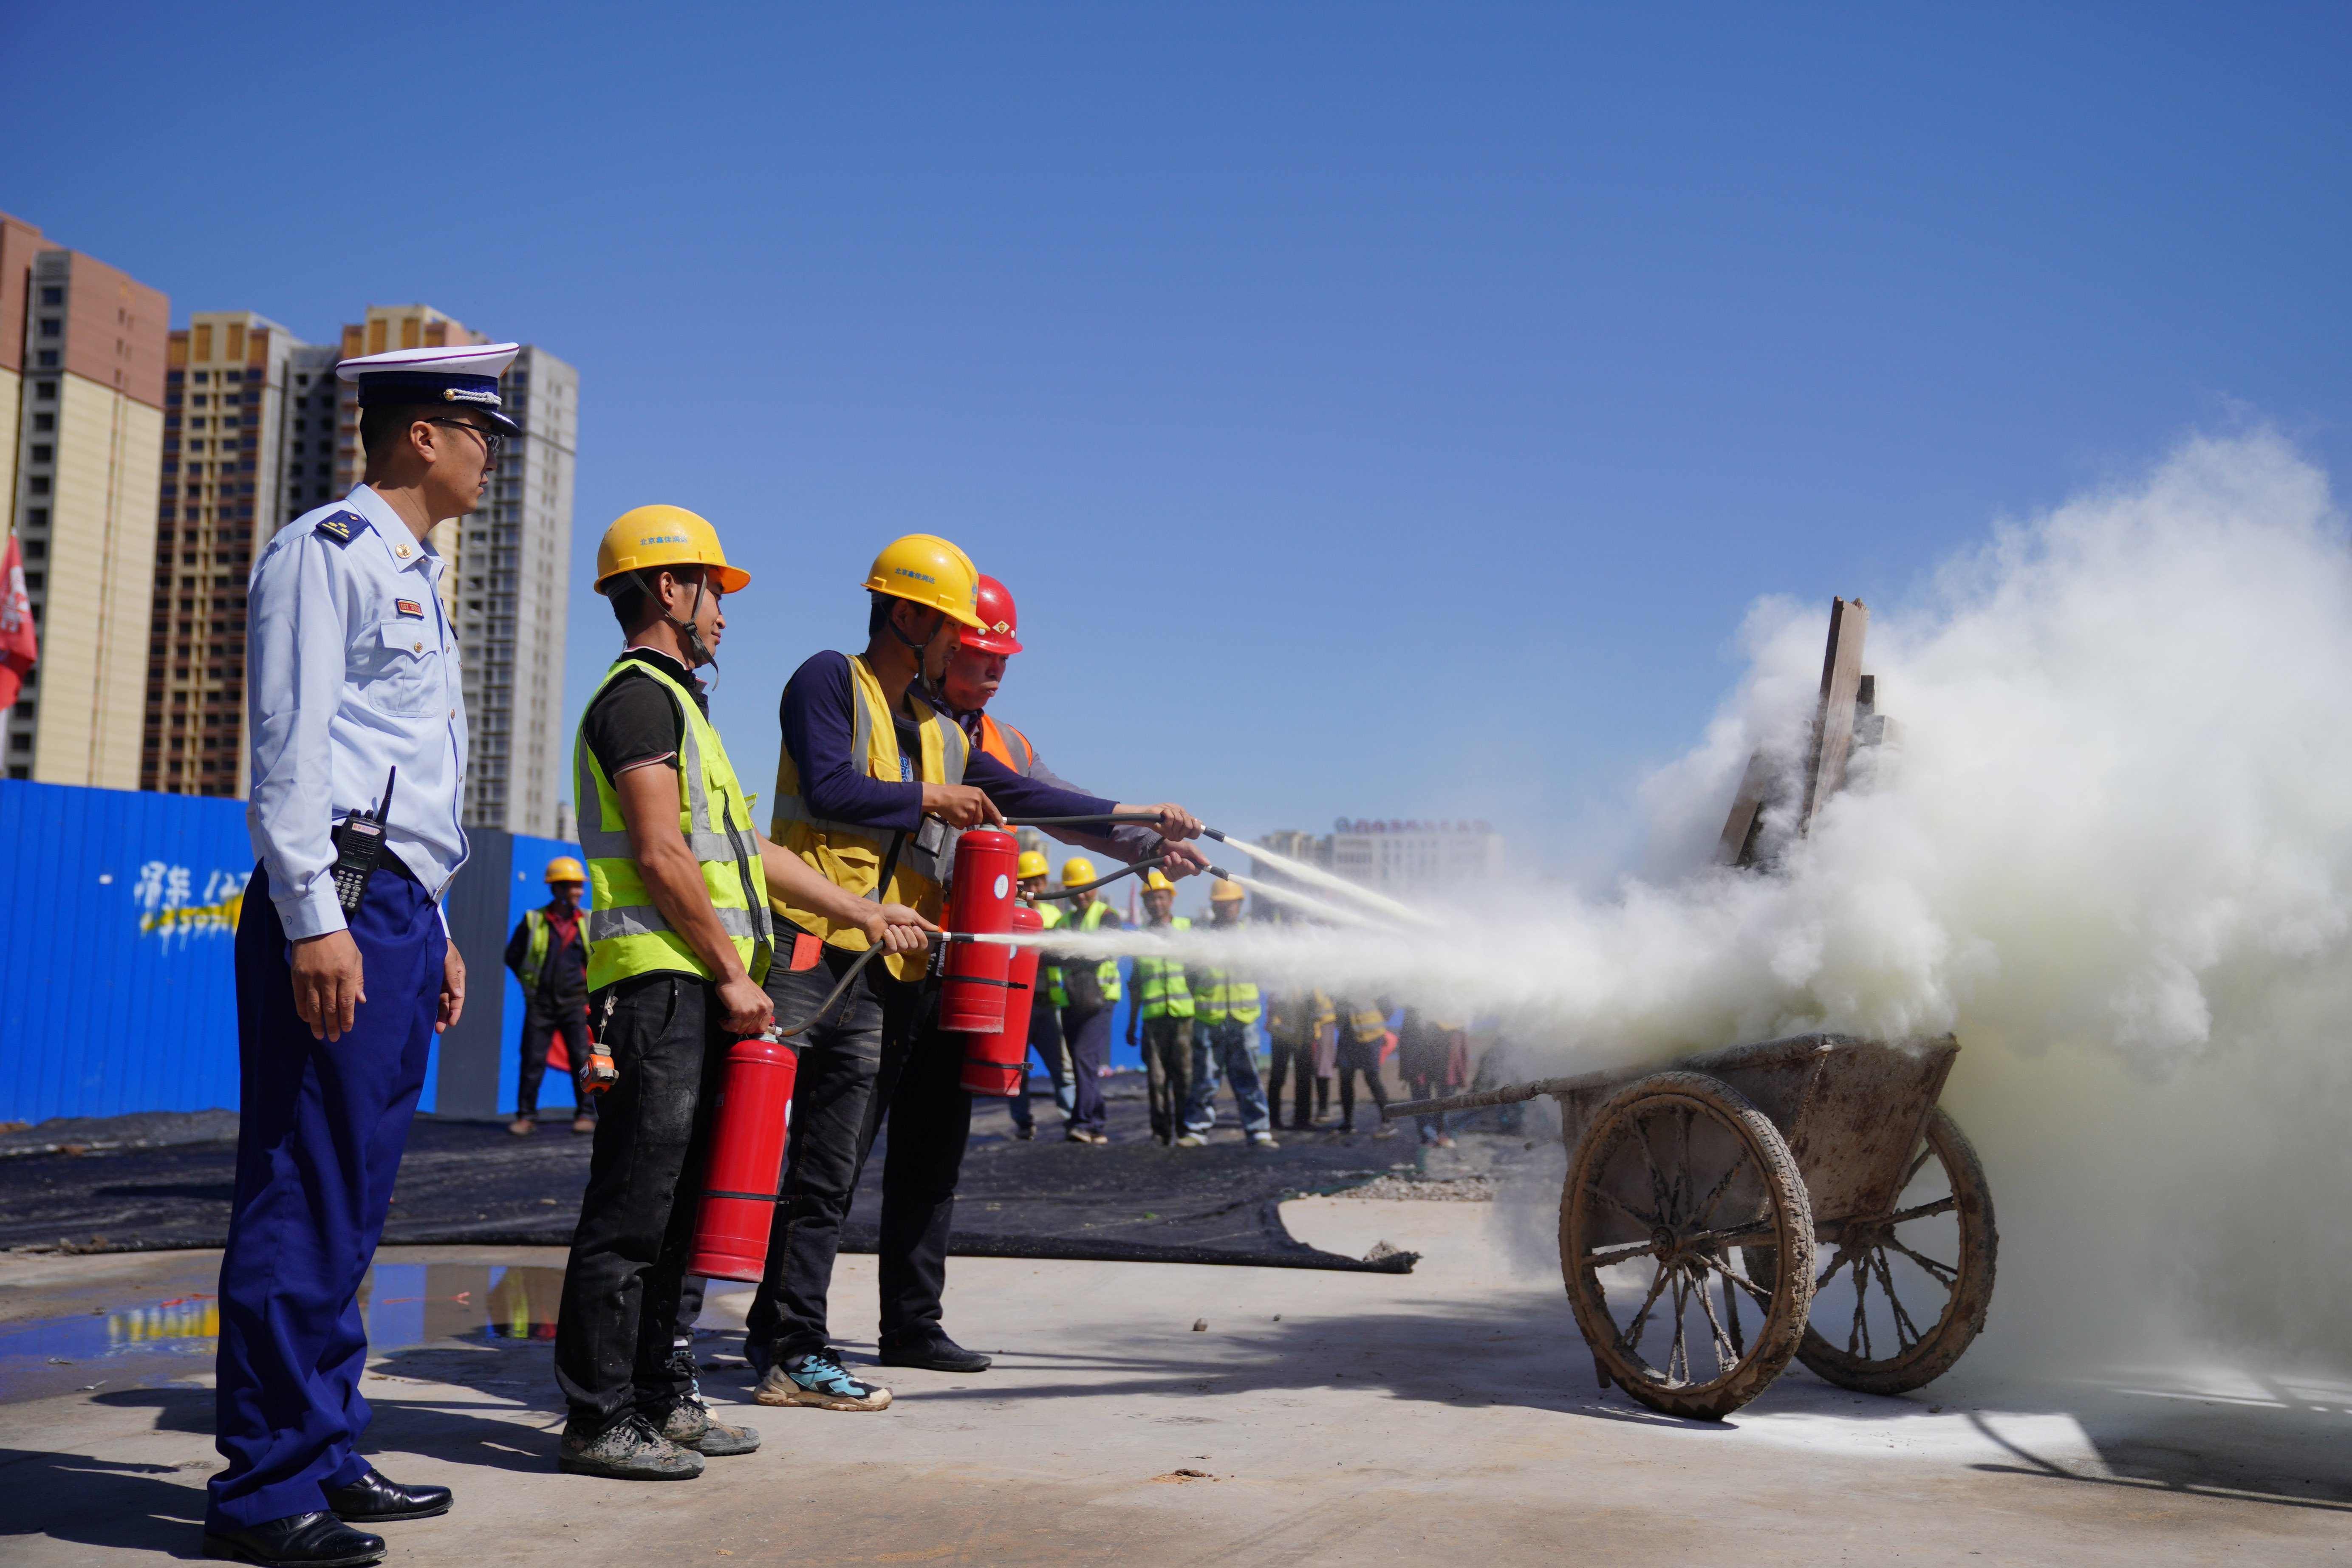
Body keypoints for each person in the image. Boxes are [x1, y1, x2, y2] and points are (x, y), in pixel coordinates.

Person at [746, 535, 1204, 1399]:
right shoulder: (828, 680)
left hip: (908, 965)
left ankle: (836, 1331)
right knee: (813, 1164)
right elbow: (830, 785)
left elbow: (1038, 798)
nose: (971, 653)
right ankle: (774, 1339)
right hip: (819, 950)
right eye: (959, 632)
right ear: (910, 615)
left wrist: (1143, 825)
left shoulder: (944, 731)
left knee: (884, 1158)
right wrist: (929, 798)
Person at [553, 506, 934, 1480]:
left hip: (700, 988)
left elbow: (748, 852)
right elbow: (658, 850)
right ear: (668, 589)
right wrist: (729, 971)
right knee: (634, 1208)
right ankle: (599, 1416)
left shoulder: (686, 709)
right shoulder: (637, 699)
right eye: (712, 588)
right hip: (662, 987)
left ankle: (655, 1396)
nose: (723, 609)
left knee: (678, 1208)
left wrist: (860, 909)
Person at [208, 342, 509, 1568]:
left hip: (394, 900)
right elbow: (289, 755)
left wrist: (429, 919)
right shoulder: (322, 552)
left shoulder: (416, 572)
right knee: (302, 1180)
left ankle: (324, 1444)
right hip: (334, 887)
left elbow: (412, 779)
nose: (493, 457)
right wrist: (319, 917)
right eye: (481, 432)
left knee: (357, 1190)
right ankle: (267, 1486)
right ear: (423, 435)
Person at [1182, 880, 1276, 1147]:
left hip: (1242, 1018)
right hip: (1209, 1020)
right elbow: (1190, 978)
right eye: (1221, 903)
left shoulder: (1251, 940)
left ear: (1239, 905)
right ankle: (1197, 1130)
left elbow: (1261, 974)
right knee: (1204, 1078)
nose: (1226, 908)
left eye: (1231, 903)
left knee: (1249, 1077)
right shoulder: (1200, 939)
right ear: (1213, 905)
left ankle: (1258, 1131)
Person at [505, 857, 592, 1136]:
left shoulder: (588, 922)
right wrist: (529, 984)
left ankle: (586, 1114)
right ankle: (526, 1117)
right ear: (556, 889)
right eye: (573, 886)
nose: (579, 891)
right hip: (540, 1004)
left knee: (582, 1060)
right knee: (532, 1060)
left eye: (580, 886)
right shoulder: (534, 921)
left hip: (576, 1004)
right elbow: (513, 956)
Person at [1044, 855, 1124, 1144]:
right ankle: (1098, 1123)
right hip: (1071, 1001)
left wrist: (1067, 954)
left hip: (1100, 1001)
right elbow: (1046, 954)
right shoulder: (1064, 921)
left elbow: (1103, 950)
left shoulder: (1107, 915)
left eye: (1085, 887)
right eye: (1073, 888)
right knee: (1085, 1063)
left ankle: (1082, 1122)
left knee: (1082, 1058)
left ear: (1096, 886)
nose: (1080, 894)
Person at [1126, 870, 1196, 1145]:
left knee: (1185, 1077)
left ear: (1171, 899)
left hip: (1183, 1017)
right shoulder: (1140, 938)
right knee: (1156, 1080)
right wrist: (1132, 1023)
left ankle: (1186, 1128)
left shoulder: (1187, 930)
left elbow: (1197, 975)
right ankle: (1160, 1131)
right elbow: (1135, 984)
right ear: (1144, 903)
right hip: (1154, 1019)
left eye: (1161, 897)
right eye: (1151, 899)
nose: (1157, 903)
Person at [1395, 1007, 1470, 1147]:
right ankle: (1427, 1135)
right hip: (1420, 1035)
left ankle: (1443, 1131)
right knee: (1420, 1089)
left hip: (1449, 1036)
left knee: (1447, 1090)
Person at [1264, 985, 1334, 1132]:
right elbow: (1275, 1003)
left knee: (1303, 1078)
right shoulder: (1283, 978)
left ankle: (1302, 1120)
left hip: (1303, 1036)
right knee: (1278, 1078)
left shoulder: (1312, 981)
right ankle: (1274, 1119)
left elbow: (1319, 1006)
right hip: (1283, 1034)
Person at [1330, 996, 1396, 1136]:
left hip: (1371, 1035)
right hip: (1348, 1035)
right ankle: (1347, 1123)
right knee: (1346, 1079)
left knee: (1372, 1078)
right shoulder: (1340, 981)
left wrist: (1375, 1023)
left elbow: (1387, 1009)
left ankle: (1388, 1123)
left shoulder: (1371, 981)